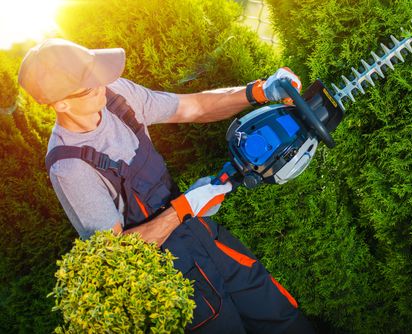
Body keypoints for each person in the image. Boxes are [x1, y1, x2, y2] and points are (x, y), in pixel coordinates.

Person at [18, 38, 315, 333]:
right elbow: (118, 254)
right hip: (170, 273)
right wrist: (184, 207)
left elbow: (192, 107)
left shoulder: (116, 95)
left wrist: (258, 91)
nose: (102, 82)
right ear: (62, 103)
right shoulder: (70, 166)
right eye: (89, 83)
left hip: (199, 232)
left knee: (279, 312)